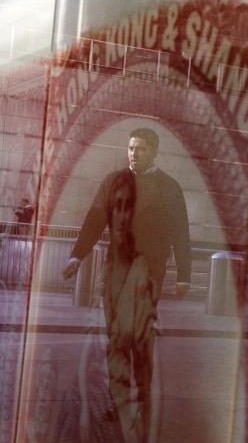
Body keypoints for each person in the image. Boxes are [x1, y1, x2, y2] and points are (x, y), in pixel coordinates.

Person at [62, 128, 191, 438]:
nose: (134, 153)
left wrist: (185, 275)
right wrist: (76, 256)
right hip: (116, 277)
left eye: (141, 148)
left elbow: (181, 234)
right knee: (117, 340)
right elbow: (94, 220)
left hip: (148, 276)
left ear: (155, 152)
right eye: (131, 148)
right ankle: (118, 400)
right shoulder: (113, 182)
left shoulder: (169, 188)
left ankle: (144, 399)